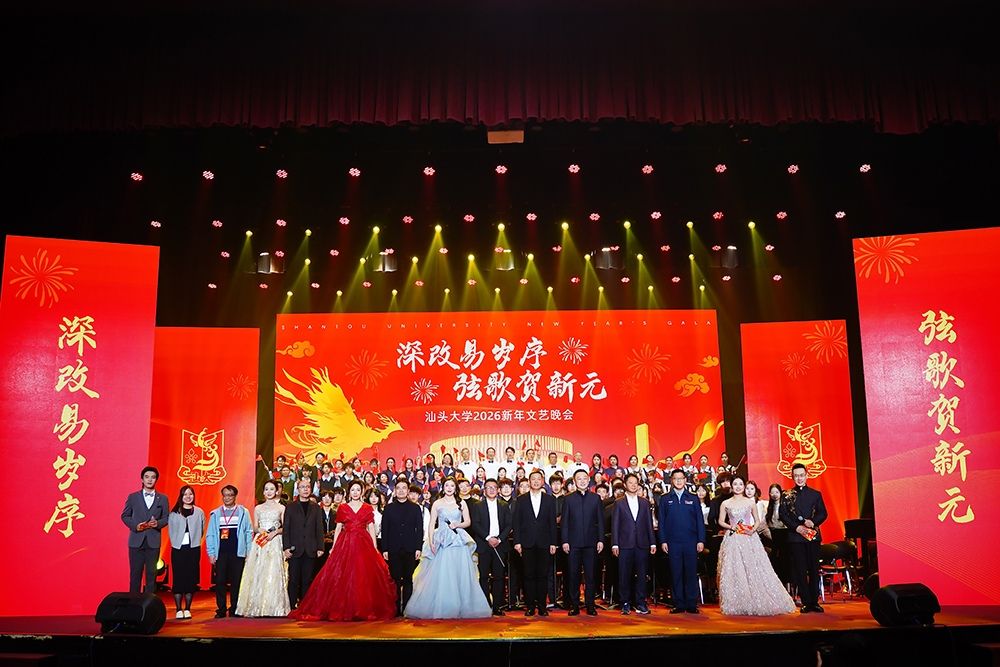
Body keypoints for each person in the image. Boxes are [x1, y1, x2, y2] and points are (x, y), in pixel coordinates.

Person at [292, 479, 397, 620]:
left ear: (362, 492)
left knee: (363, 576)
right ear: (349, 492)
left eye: (358, 490)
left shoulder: (367, 508)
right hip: (345, 543)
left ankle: (362, 608)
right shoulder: (343, 507)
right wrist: (334, 547)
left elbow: (371, 528)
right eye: (353, 490)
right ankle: (342, 607)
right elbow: (338, 528)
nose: (355, 492)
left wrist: (374, 547)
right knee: (342, 575)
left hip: (363, 543)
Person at [405, 478, 492, 618]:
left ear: (455, 488)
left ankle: (463, 606)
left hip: (458, 540)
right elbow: (431, 524)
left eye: (452, 485)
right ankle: (442, 605)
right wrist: (431, 541)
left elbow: (468, 521)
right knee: (442, 574)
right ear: (443, 487)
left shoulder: (461, 502)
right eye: (447, 485)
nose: (449, 488)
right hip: (442, 540)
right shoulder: (437, 503)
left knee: (460, 574)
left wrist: (458, 524)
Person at [717, 476, 796, 616]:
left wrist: (752, 530)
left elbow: (757, 520)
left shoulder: (750, 502)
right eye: (735, 484)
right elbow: (721, 521)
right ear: (731, 486)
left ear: (743, 486)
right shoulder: (725, 503)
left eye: (740, 484)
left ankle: (757, 598)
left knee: (754, 568)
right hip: (733, 539)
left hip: (749, 538)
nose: (738, 487)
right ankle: (737, 601)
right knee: (734, 569)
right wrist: (731, 526)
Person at [235, 480, 291, 617]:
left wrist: (274, 533)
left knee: (273, 571)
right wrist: (261, 531)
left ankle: (274, 607)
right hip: (260, 541)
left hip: (274, 541)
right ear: (263, 492)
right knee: (258, 571)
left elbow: (285, 527)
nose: (269, 492)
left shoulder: (281, 508)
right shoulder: (258, 508)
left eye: (272, 489)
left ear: (277, 491)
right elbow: (255, 526)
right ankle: (256, 606)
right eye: (266, 489)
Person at [779, 463, 828, 613]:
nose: (799, 478)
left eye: (801, 475)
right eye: (796, 476)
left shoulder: (815, 494)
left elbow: (823, 513)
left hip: (812, 537)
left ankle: (815, 601)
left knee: (814, 569)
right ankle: (806, 602)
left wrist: (813, 522)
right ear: (792, 477)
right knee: (800, 570)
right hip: (795, 538)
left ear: (806, 475)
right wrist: (797, 527)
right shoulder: (786, 495)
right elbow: (783, 515)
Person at [657, 469, 705, 614]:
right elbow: (662, 522)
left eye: (681, 478)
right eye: (675, 478)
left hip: (691, 541)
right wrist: (663, 540)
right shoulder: (665, 499)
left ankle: (691, 603)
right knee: (675, 572)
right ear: (671, 480)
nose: (678, 481)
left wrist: (701, 540)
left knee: (690, 572)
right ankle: (678, 603)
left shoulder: (693, 498)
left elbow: (699, 521)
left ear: (685, 480)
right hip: (673, 542)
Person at [512, 470, 558, 616]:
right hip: (527, 543)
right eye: (533, 479)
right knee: (528, 575)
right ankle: (530, 606)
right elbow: (516, 522)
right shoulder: (521, 500)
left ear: (543, 481)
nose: (536, 481)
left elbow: (552, 523)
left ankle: (542, 606)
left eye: (539, 479)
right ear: (529, 482)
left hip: (545, 543)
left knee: (543, 575)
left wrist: (553, 543)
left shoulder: (550, 500)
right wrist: (517, 542)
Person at [561, 468, 605, 616]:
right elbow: (565, 523)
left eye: (584, 478)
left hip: (591, 544)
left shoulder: (596, 498)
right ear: (574, 481)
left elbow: (600, 521)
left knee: (591, 576)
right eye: (579, 479)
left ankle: (590, 605)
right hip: (573, 544)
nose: (582, 481)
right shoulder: (568, 499)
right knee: (573, 575)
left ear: (589, 481)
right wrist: (565, 541)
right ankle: (574, 605)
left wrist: (601, 539)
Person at [205, 485, 254, 618]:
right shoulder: (216, 513)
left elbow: (248, 532)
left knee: (236, 581)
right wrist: (211, 553)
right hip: (221, 553)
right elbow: (210, 534)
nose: (227, 498)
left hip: (237, 552)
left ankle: (235, 608)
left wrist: (249, 551)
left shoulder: (243, 512)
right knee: (220, 581)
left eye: (230, 495)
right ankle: (221, 609)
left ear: (235, 496)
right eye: (225, 495)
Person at [612, 473, 656, 615]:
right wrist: (615, 544)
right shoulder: (619, 502)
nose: (633, 485)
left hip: (642, 544)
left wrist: (653, 543)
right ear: (625, 485)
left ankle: (641, 603)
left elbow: (649, 524)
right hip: (625, 544)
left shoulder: (644, 502)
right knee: (624, 575)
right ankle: (625, 603)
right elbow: (615, 525)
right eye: (630, 482)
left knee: (642, 575)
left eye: (635, 482)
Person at [121, 466, 169, 593]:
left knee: (151, 576)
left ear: (156, 480)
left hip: (153, 542)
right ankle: (134, 603)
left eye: (153, 477)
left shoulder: (163, 498)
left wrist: (157, 523)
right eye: (147, 477)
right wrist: (136, 526)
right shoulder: (133, 497)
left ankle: (149, 603)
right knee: (135, 575)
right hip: (136, 541)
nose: (150, 480)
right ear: (142, 479)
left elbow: (167, 518)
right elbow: (125, 516)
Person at [381, 479, 424, 616]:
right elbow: (385, 530)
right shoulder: (388, 508)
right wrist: (385, 549)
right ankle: (395, 609)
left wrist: (418, 548)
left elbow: (419, 529)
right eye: (398, 488)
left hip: (410, 548)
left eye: (404, 488)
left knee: (408, 579)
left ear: (408, 491)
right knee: (395, 580)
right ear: (394, 491)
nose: (401, 490)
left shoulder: (415, 508)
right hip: (393, 548)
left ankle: (407, 608)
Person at [470, 478, 511, 616]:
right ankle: (485, 605)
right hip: (484, 545)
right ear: (484, 490)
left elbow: (508, 525)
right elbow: (475, 524)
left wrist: (499, 539)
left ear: (498, 490)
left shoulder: (504, 505)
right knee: (483, 576)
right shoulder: (477, 505)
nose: (492, 489)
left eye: (494, 487)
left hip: (500, 545)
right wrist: (488, 538)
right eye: (489, 487)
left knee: (499, 576)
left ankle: (497, 606)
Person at [283, 479, 325, 610]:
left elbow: (319, 528)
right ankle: (291, 606)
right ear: (298, 490)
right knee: (293, 579)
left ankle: (306, 606)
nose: (305, 489)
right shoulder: (290, 507)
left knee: (308, 579)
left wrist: (320, 547)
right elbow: (286, 528)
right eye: (302, 487)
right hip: (295, 549)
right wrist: (286, 547)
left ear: (311, 489)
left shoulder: (316, 508)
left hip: (311, 548)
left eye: (307, 487)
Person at [167, 485, 205, 619]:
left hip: (193, 549)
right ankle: (178, 609)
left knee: (191, 578)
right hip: (178, 549)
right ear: (181, 496)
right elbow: (171, 531)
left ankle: (188, 608)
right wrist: (176, 542)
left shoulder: (199, 512)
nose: (188, 497)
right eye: (185, 494)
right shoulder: (174, 513)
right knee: (178, 578)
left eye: (190, 494)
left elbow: (202, 529)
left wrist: (195, 541)